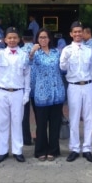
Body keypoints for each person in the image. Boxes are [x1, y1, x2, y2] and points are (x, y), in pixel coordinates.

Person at [0, 27, 30, 163]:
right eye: (9, 38)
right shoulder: (0, 54)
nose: (12, 40)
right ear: (5, 40)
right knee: (2, 123)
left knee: (17, 122)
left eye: (15, 37)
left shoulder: (23, 55)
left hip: (17, 92)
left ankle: (17, 151)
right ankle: (2, 151)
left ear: (19, 39)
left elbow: (27, 75)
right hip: (2, 92)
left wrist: (26, 93)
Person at [60, 21, 92, 163]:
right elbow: (62, 67)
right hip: (74, 86)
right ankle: (74, 148)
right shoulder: (67, 50)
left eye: (79, 31)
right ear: (71, 34)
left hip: (87, 85)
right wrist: (64, 58)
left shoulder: (89, 50)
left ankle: (87, 148)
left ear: (83, 33)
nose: (77, 34)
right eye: (75, 32)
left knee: (88, 118)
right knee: (74, 119)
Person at [29, 28, 65, 162]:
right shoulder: (35, 54)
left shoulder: (57, 53)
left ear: (49, 39)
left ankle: (53, 150)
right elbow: (28, 62)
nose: (43, 40)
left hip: (57, 93)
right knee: (42, 124)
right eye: (40, 37)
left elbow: (63, 68)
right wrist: (32, 51)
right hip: (41, 93)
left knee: (55, 123)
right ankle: (40, 150)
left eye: (45, 37)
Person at [21, 29, 35, 146]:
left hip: (23, 87)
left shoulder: (20, 51)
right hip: (37, 87)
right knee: (39, 115)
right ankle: (40, 137)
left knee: (24, 116)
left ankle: (26, 139)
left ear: (22, 39)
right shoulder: (38, 50)